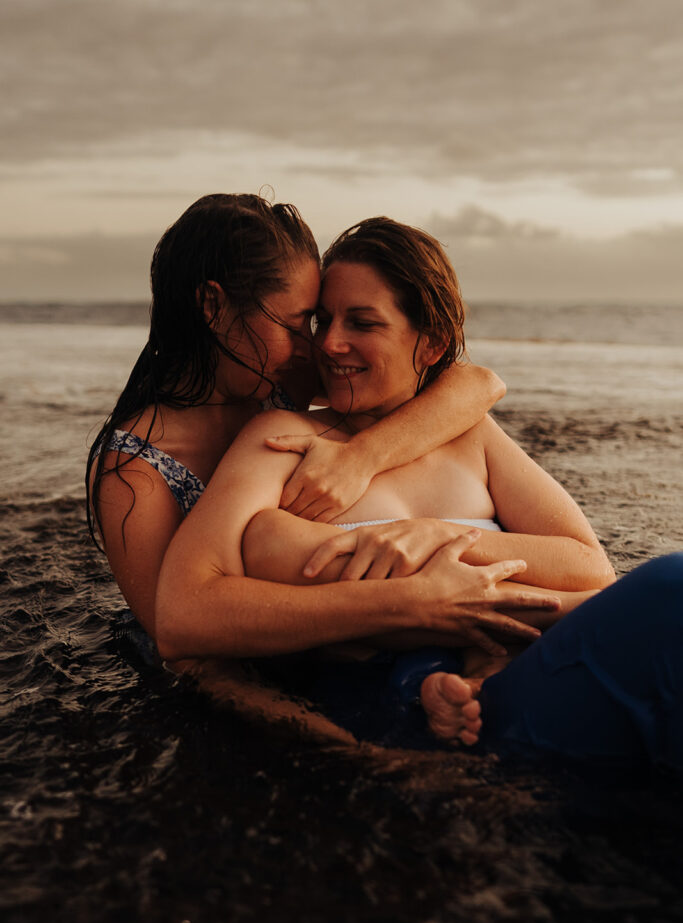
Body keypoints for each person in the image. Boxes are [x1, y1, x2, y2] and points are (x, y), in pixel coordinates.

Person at [156, 216, 683, 773]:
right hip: (434, 711)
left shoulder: (472, 436)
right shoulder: (283, 440)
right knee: (670, 591)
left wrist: (439, 534)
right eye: (322, 320)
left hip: (518, 668)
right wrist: (427, 601)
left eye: (362, 323)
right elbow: (185, 614)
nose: (330, 344)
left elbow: (589, 567)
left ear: (428, 343)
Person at [87, 194, 551, 661]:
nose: (318, 345)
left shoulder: (281, 377)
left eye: (310, 321)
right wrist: (335, 734)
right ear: (213, 305)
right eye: (296, 324)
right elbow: (186, 651)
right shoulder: (134, 471)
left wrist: (363, 456)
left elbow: (477, 384)